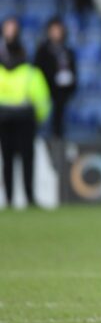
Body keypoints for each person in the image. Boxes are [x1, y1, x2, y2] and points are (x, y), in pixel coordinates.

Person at [0, 18, 51, 207]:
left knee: (7, 161)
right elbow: (42, 101)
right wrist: (39, 118)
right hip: (25, 120)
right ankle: (29, 197)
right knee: (27, 161)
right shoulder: (30, 72)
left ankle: (10, 199)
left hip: (4, 120)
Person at [34, 17, 77, 139]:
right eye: (53, 30)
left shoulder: (67, 51)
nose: (56, 33)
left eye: (58, 30)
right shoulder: (42, 50)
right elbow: (37, 70)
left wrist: (71, 83)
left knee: (59, 118)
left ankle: (57, 137)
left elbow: (73, 69)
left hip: (62, 91)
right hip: (45, 89)